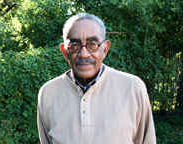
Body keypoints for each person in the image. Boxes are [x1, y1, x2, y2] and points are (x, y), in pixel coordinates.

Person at [37, 13, 156, 144]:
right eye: (75, 45)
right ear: (65, 51)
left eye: (92, 44)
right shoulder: (48, 93)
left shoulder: (133, 87)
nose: (83, 54)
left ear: (105, 49)